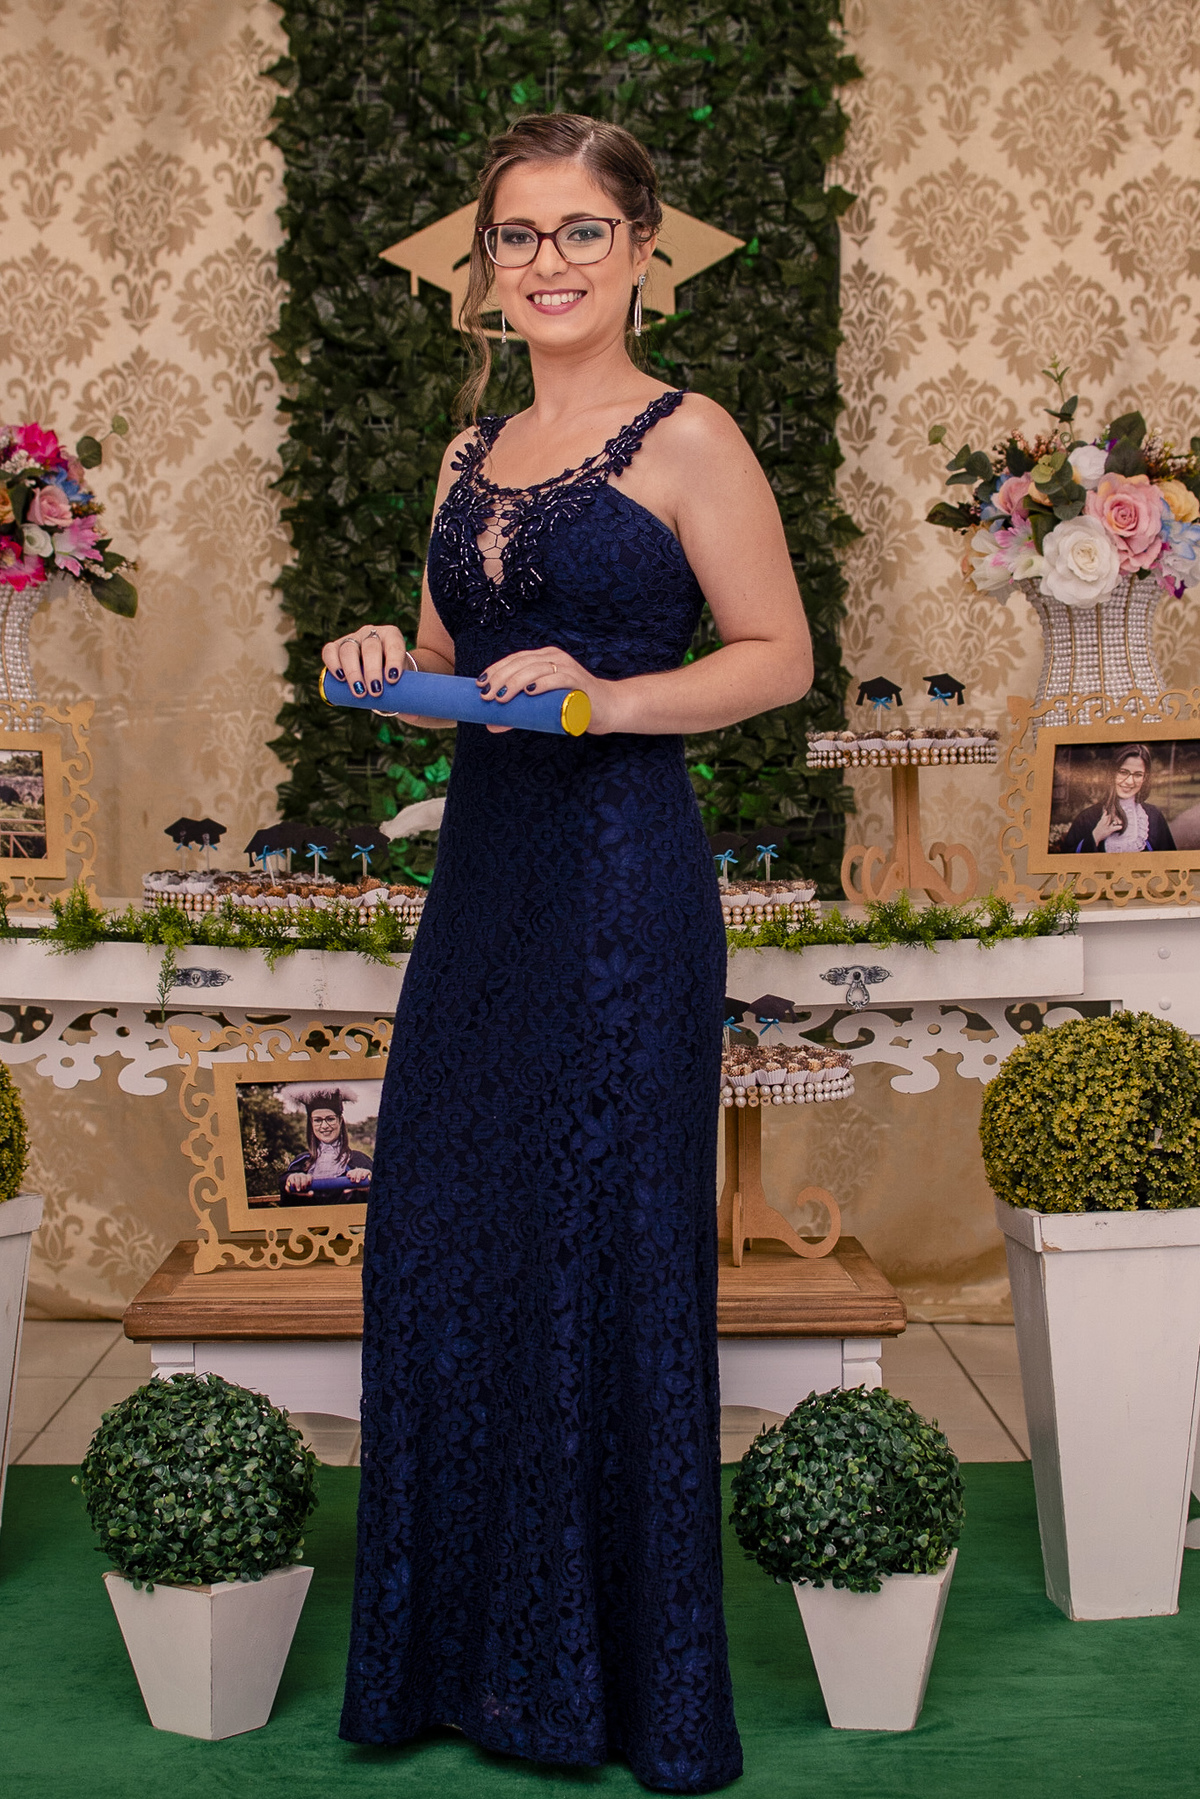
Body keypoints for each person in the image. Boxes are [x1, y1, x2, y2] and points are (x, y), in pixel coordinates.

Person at [328, 112, 812, 1794]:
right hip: (485, 884)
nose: (548, 261)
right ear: (483, 267)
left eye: (581, 231)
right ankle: (456, 1657)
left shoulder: (692, 435)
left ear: (640, 252)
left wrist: (607, 694)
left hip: (619, 883)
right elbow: (456, 672)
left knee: (599, 1243)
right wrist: (384, 656)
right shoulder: (467, 453)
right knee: (448, 1235)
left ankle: (614, 1683)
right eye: (518, 235)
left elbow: (777, 655)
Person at [1056, 743, 1175, 854]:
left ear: (1145, 778)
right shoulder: (1086, 818)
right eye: (1123, 772)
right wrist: (1095, 836)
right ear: (1112, 773)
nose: (1129, 781)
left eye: (1138, 775)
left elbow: (1169, 862)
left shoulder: (1154, 817)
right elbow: (1066, 864)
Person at [279, 1090, 372, 1201]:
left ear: (340, 1121)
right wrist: (291, 1180)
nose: (324, 1126)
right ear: (311, 1123)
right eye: (317, 1120)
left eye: (330, 1119)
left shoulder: (360, 1160)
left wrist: (368, 1181)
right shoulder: (300, 1162)